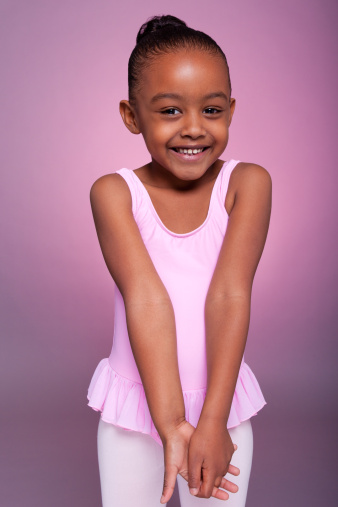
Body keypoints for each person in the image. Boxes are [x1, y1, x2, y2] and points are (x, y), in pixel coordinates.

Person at [87, 14, 272, 507]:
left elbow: (231, 292)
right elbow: (146, 299)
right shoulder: (114, 192)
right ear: (131, 116)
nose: (194, 129)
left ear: (231, 110)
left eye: (211, 110)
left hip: (221, 409)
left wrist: (213, 421)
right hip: (136, 412)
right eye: (170, 111)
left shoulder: (246, 183)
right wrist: (169, 423)